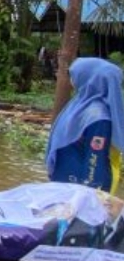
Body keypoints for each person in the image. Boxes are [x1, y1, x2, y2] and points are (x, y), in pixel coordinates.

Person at [46, 57, 124, 195]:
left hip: (81, 190)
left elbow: (94, 160)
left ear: (89, 79)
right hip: (65, 182)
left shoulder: (98, 117)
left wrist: (88, 195)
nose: (72, 80)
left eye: (75, 75)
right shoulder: (79, 104)